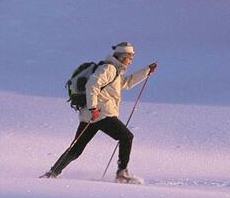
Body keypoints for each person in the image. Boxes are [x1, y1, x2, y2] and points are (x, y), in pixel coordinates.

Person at [42, 42, 157, 183]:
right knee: (126, 137)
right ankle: (122, 173)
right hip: (100, 113)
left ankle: (52, 173)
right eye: (129, 58)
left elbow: (126, 83)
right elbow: (92, 85)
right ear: (121, 57)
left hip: (91, 115)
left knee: (77, 148)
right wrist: (93, 108)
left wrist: (146, 71)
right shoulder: (108, 69)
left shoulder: (115, 70)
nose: (131, 61)